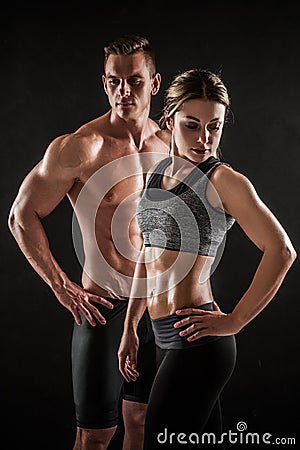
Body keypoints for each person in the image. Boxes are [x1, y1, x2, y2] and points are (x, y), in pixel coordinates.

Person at [118, 68, 297, 449]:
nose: (204, 139)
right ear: (170, 120)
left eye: (214, 127)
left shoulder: (224, 181)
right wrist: (131, 326)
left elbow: (281, 251)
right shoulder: (157, 175)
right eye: (192, 125)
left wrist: (234, 321)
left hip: (198, 344)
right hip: (160, 337)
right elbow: (146, 259)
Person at [8, 35, 170, 450]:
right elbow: (21, 215)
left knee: (144, 422)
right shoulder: (83, 147)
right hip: (103, 310)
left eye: (134, 81)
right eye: (114, 81)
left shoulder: (170, 143)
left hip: (157, 305)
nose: (124, 91)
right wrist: (60, 285)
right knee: (95, 437)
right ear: (104, 83)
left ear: (153, 84)